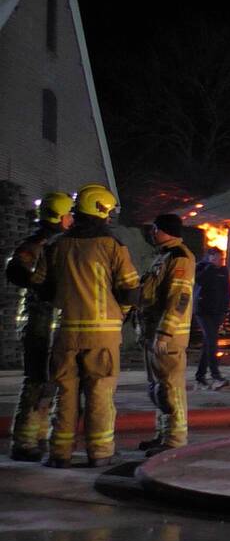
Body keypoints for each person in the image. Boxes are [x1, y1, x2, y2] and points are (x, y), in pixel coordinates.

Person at [31, 184, 139, 467]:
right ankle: (100, 452)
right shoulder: (112, 245)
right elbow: (130, 290)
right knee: (100, 392)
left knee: (65, 393)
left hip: (66, 332)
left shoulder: (55, 245)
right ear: (101, 211)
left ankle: (60, 453)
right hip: (103, 334)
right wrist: (120, 314)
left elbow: (40, 286)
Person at [4, 192, 73, 461]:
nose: (72, 219)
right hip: (39, 324)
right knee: (36, 381)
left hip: (48, 323)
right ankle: (24, 442)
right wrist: (42, 285)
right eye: (69, 214)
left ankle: (38, 436)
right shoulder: (39, 244)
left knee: (48, 382)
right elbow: (16, 271)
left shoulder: (50, 242)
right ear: (61, 217)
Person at [137, 214, 195, 456]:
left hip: (167, 337)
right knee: (158, 389)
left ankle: (175, 439)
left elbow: (179, 297)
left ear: (166, 230)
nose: (152, 233)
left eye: (156, 229)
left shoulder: (179, 257)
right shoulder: (164, 256)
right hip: (153, 334)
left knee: (171, 388)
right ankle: (163, 434)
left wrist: (165, 332)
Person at [193, 248, 230, 389]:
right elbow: (199, 281)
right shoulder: (201, 268)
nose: (221, 261)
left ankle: (200, 377)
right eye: (218, 259)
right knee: (211, 341)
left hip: (217, 313)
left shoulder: (223, 271)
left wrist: (225, 309)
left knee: (208, 344)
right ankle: (215, 376)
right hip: (203, 312)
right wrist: (209, 268)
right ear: (210, 258)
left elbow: (227, 290)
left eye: (222, 259)